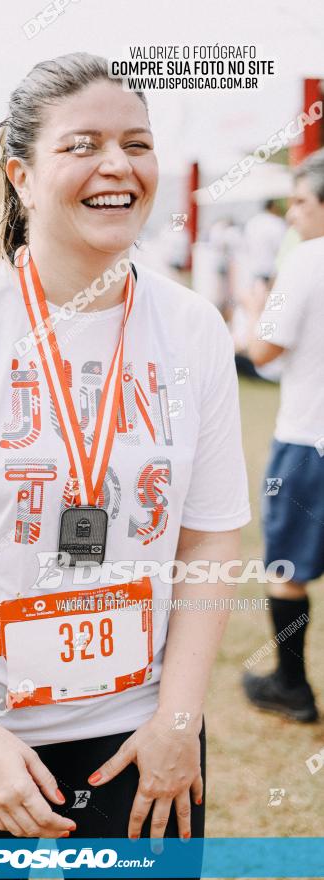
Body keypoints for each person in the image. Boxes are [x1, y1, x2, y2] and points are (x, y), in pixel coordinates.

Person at [0, 54, 250, 872]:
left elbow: (207, 540)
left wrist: (178, 718)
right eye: (83, 144)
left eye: (136, 144)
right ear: (19, 177)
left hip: (139, 730)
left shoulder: (193, 327)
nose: (116, 166)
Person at [241, 149, 324, 723]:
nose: (292, 214)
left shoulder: (309, 260)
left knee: (287, 570)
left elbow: (263, 349)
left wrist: (252, 306)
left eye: (300, 201)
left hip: (308, 441)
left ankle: (291, 686)